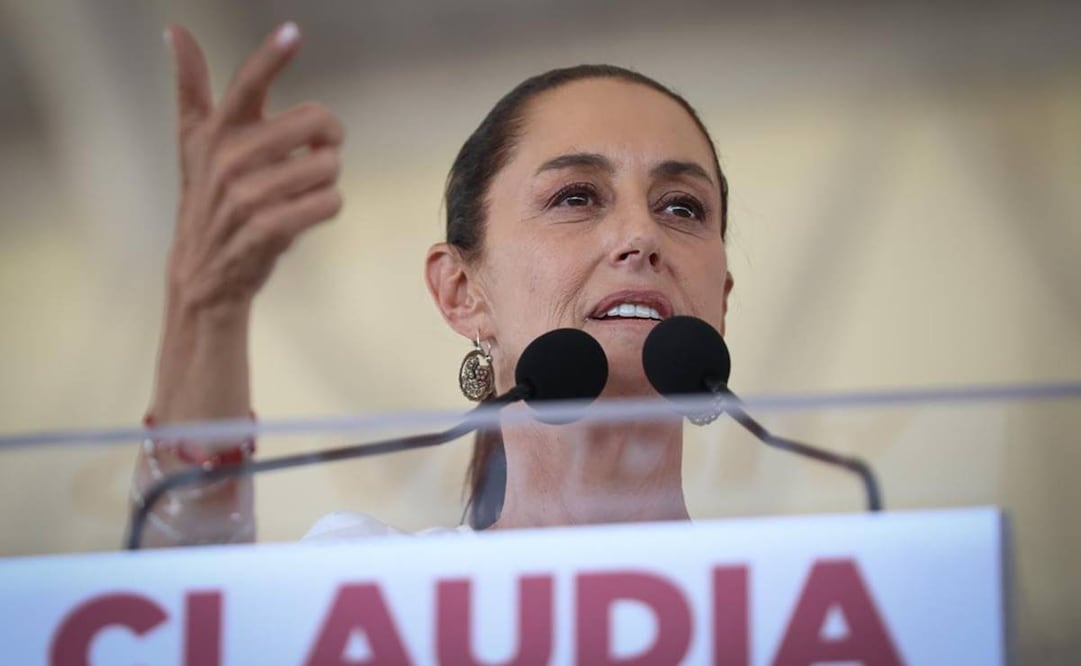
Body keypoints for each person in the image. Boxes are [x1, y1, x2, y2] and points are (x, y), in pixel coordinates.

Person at [133, 21, 732, 546]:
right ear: (461, 292)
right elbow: (176, 636)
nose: (641, 234)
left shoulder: (801, 593)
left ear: (722, 299)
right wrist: (205, 307)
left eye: (682, 208)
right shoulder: (375, 586)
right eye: (576, 196)